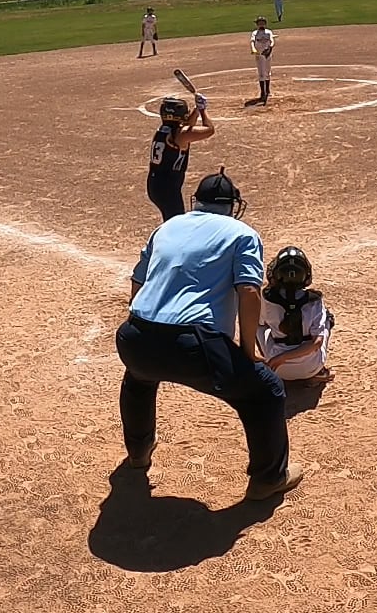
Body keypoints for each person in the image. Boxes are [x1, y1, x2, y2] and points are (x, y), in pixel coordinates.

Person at [115, 167, 304, 501]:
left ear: (197, 201)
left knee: (138, 378)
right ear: (233, 205)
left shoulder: (167, 226)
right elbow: (249, 291)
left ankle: (138, 453)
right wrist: (248, 352)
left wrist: (144, 325)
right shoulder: (243, 233)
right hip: (194, 346)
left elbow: (137, 282)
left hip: (135, 337)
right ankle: (268, 479)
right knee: (265, 391)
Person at [258, 246, 334, 384]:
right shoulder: (314, 301)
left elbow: (260, 324)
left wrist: (280, 358)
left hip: (277, 368)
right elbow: (317, 343)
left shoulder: (267, 299)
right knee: (327, 319)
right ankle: (319, 372)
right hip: (312, 367)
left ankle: (262, 362)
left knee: (257, 324)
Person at [146, 93, 213, 221]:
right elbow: (209, 130)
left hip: (156, 183)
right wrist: (203, 110)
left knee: (172, 220)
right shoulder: (180, 135)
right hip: (168, 188)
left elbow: (187, 126)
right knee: (176, 223)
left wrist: (196, 110)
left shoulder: (165, 130)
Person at [246, 16, 275, 107]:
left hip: (267, 54)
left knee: (267, 72)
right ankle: (263, 92)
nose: (260, 25)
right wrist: (253, 49)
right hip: (259, 55)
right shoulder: (255, 33)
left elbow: (272, 41)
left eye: (262, 23)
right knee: (261, 73)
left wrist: (270, 48)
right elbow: (252, 42)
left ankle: (268, 90)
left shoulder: (269, 32)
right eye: (259, 23)